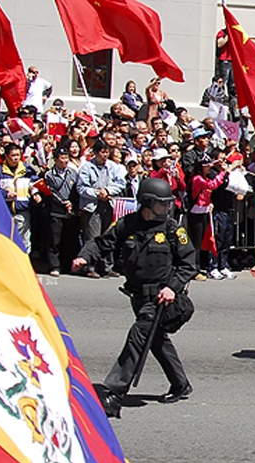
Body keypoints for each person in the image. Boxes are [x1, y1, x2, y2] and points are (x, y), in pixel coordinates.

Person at [72, 178, 197, 418]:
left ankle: (113, 393)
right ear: (147, 204)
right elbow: (102, 243)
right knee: (156, 339)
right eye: (162, 204)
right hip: (137, 295)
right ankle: (180, 384)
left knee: (138, 337)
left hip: (162, 299)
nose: (167, 209)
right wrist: (84, 257)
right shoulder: (127, 224)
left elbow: (189, 264)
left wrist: (172, 287)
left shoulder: (172, 230)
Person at [76, 140, 126, 277]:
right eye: (102, 152)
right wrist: (97, 193)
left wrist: (108, 191)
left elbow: (121, 183)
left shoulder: (113, 166)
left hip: (108, 204)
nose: (105, 155)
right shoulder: (86, 167)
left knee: (108, 236)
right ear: (95, 153)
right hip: (92, 206)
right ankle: (89, 266)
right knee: (92, 236)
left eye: (107, 152)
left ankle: (106, 267)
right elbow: (81, 188)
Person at [0, 143, 41, 254]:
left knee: (24, 239)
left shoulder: (27, 170)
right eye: (13, 155)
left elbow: (35, 184)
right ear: (6, 156)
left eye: (18, 155)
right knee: (6, 239)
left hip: (22, 210)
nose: (16, 158)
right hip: (5, 211)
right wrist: (6, 194)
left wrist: (35, 193)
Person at [43, 146, 79, 276]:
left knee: (69, 240)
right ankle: (54, 266)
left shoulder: (72, 173)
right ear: (56, 159)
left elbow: (76, 190)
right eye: (62, 158)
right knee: (54, 241)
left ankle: (67, 265)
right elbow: (50, 192)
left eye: (67, 158)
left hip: (70, 213)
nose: (65, 161)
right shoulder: (49, 175)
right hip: (55, 211)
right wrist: (63, 202)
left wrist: (72, 202)